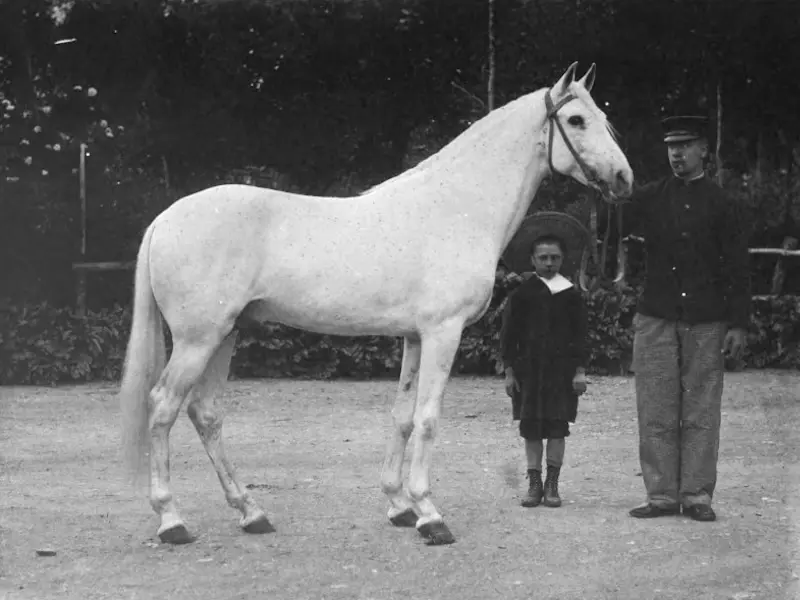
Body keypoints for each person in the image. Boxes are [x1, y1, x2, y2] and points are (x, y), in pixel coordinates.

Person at [608, 113, 751, 522]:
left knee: (702, 409)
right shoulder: (649, 197)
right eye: (671, 146)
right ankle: (662, 496)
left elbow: (739, 269)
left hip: (707, 319)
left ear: (703, 150)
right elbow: (611, 220)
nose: (676, 154)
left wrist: (738, 324)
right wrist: (609, 189)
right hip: (656, 317)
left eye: (685, 145)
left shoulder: (725, 204)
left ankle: (697, 495)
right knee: (655, 406)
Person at [499, 213, 590, 508]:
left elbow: (581, 336)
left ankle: (553, 484)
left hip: (561, 374)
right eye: (543, 258)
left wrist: (579, 371)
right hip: (529, 373)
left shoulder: (571, 295)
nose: (549, 263)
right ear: (533, 260)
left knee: (557, 427)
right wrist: (510, 372)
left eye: (555, 257)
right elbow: (508, 336)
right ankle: (535, 483)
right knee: (531, 427)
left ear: (563, 260)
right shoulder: (522, 294)